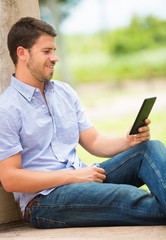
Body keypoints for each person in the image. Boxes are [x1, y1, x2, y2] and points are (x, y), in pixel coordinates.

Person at [0, 17, 166, 229]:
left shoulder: (64, 93)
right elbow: (10, 178)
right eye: (47, 51)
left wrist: (128, 140)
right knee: (137, 198)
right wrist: (72, 176)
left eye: (54, 50)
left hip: (85, 178)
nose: (55, 58)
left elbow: (94, 141)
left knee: (149, 149)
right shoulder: (6, 108)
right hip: (45, 200)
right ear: (22, 53)